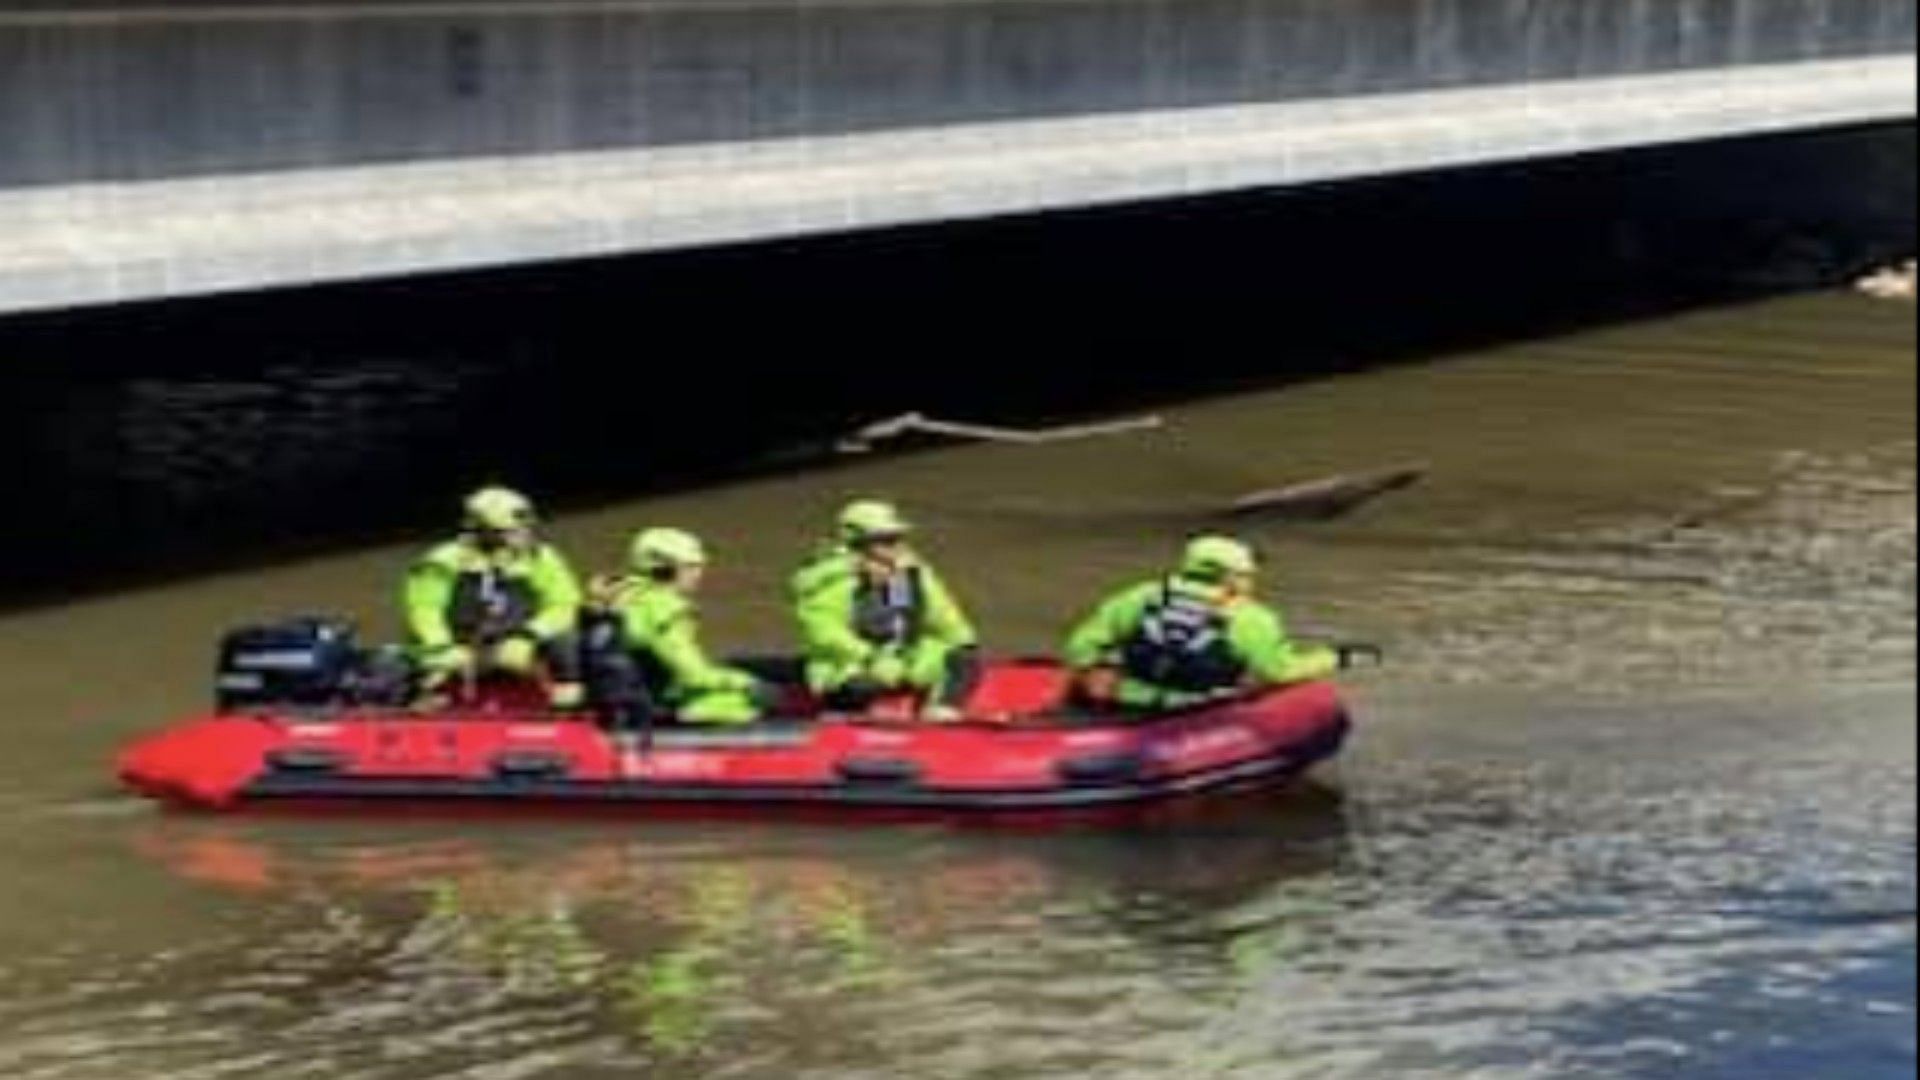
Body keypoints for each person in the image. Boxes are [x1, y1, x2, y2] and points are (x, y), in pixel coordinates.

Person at [1064, 535, 1338, 711]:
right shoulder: (1251, 617)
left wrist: (1098, 668)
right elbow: (1279, 671)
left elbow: (1081, 644)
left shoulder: (1141, 596)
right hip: (1196, 710)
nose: (1252, 580)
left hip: (1127, 698)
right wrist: (1334, 658)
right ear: (1230, 577)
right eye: (1246, 574)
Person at [791, 500, 982, 721]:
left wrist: (963, 643)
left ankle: (940, 713)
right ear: (858, 543)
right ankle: (846, 720)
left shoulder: (903, 574)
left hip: (898, 655)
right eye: (886, 541)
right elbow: (824, 634)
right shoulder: (831, 583)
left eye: (897, 539)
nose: (897, 547)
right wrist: (871, 658)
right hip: (848, 664)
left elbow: (935, 614)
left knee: (959, 659)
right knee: (859, 686)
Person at [402, 486, 586, 708]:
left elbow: (564, 604)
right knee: (418, 674)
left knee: (567, 639)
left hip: (517, 644)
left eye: (522, 528)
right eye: (505, 531)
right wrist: (443, 648)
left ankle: (565, 699)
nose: (519, 535)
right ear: (480, 530)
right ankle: (430, 698)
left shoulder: (541, 559)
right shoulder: (442, 561)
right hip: (460, 646)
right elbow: (425, 611)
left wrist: (527, 636)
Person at [605, 528, 771, 726]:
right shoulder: (662, 608)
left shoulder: (624, 597)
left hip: (623, 698)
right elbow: (693, 674)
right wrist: (745, 682)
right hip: (651, 703)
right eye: (691, 567)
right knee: (745, 701)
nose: (698, 574)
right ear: (665, 569)